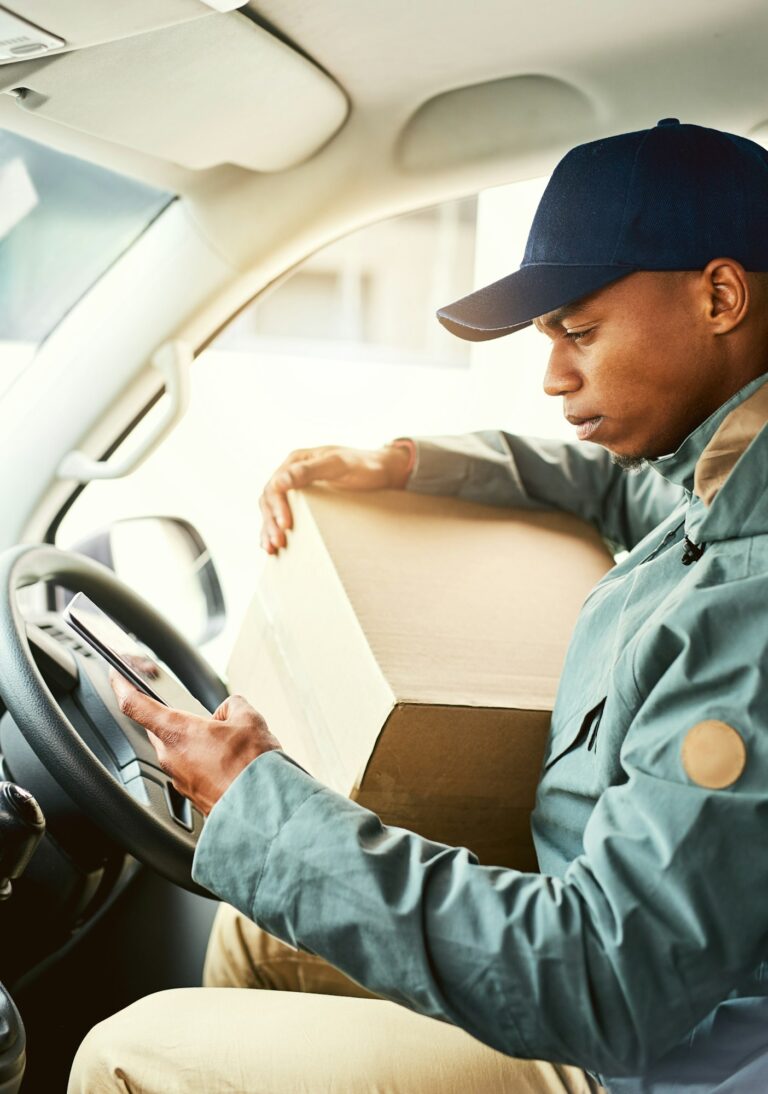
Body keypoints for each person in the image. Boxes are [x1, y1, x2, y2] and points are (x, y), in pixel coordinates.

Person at [70, 119, 768, 1093]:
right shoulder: (720, 483)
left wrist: (266, 803)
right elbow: (617, 488)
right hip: (610, 973)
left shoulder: (749, 607)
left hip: (645, 1055)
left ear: (721, 294)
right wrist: (403, 461)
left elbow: (611, 984)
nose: (553, 376)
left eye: (578, 330)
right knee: (260, 924)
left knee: (123, 1052)